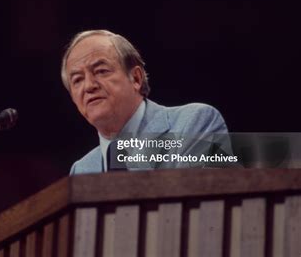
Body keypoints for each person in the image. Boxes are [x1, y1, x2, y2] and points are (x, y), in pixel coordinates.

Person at [61, 30, 232, 175]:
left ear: (136, 78)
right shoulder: (81, 170)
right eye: (77, 80)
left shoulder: (194, 123)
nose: (89, 86)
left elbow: (201, 205)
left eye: (101, 71)